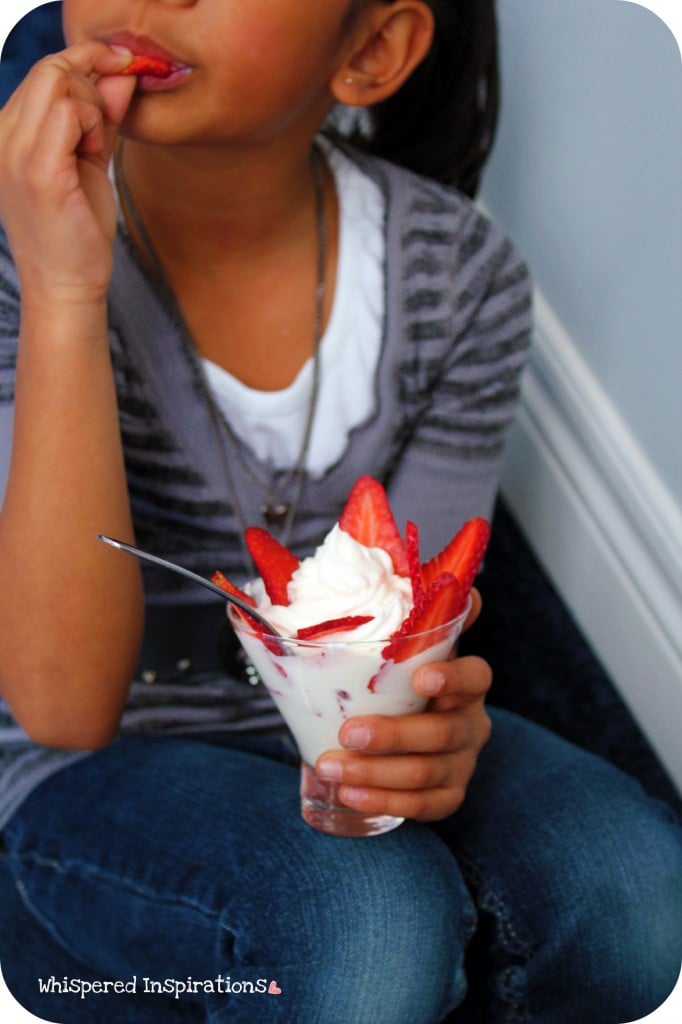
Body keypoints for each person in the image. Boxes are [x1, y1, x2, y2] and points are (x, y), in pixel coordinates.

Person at [0, 2, 679, 1022]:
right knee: (366, 925)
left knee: (631, 887)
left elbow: (408, 640)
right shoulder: (20, 248)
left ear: (370, 52)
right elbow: (61, 708)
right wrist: (63, 291)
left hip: (342, 730)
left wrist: (434, 722)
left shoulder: (461, 278)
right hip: (89, 760)